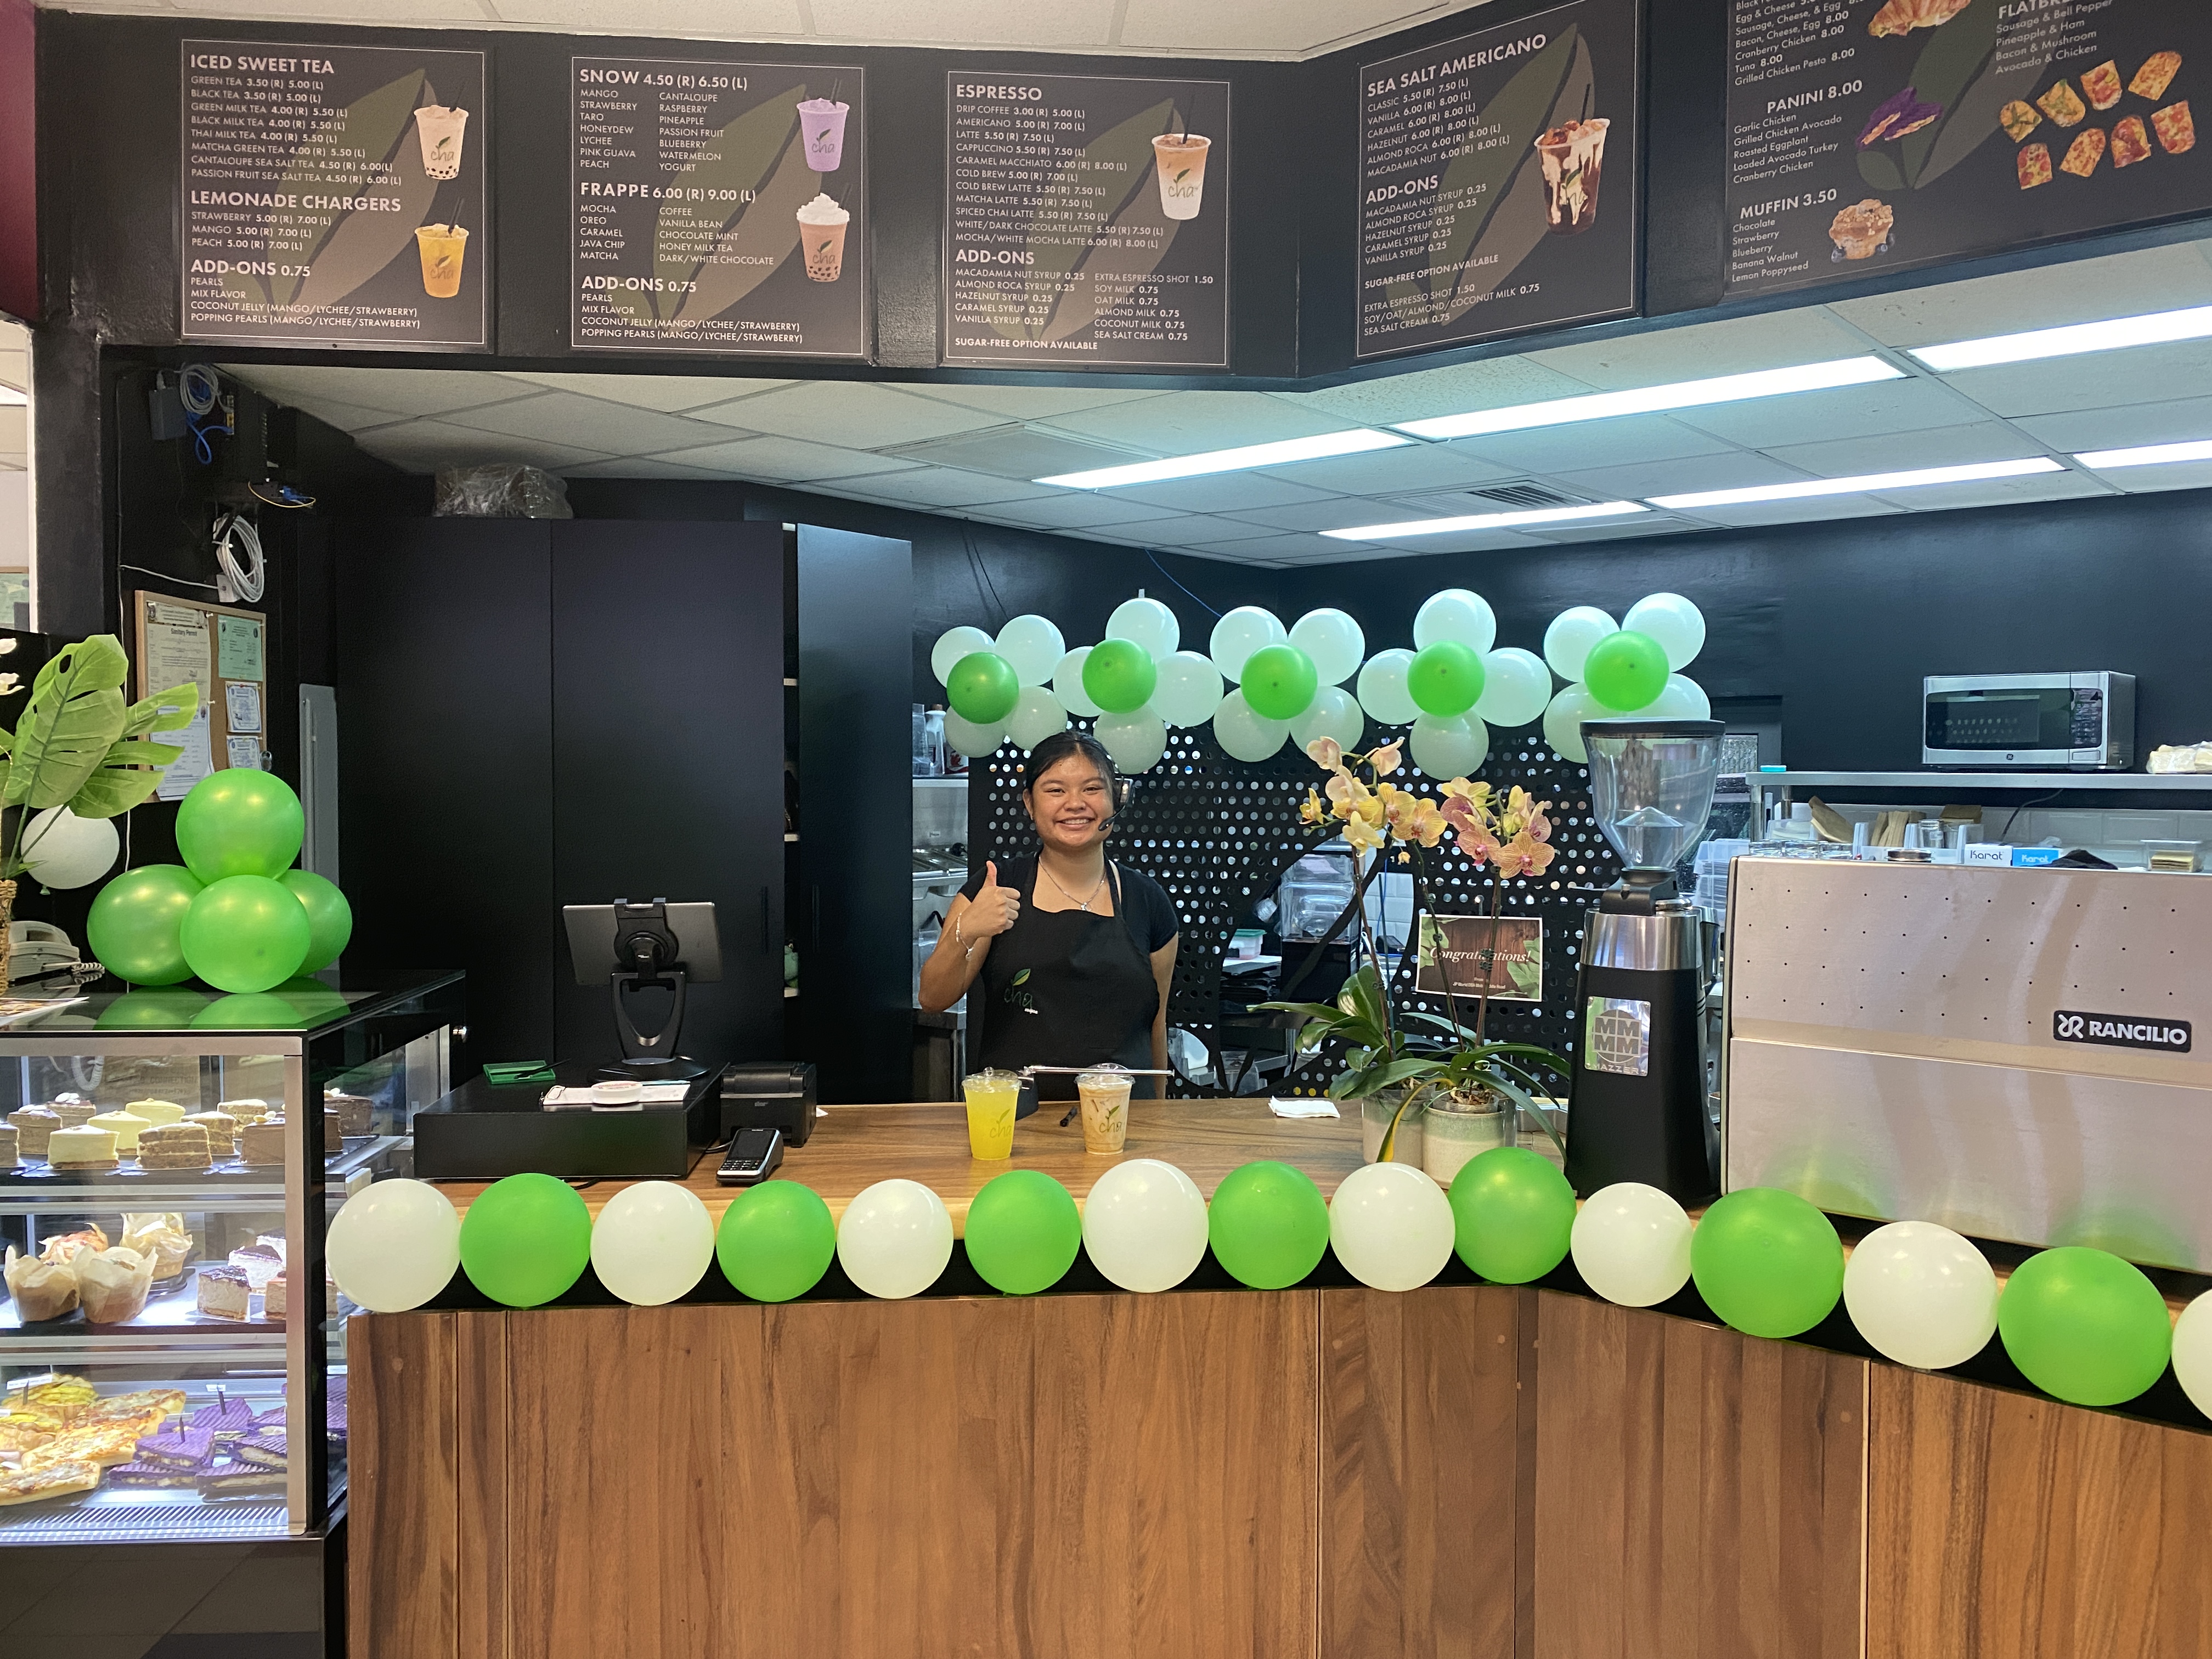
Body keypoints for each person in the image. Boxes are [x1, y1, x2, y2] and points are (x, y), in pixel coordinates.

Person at [919, 730, 1180, 1101]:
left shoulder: (1148, 902)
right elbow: (932, 997)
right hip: (1014, 1123)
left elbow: (1156, 1024)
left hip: (1123, 1122)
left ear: (1116, 799)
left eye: (1092, 789)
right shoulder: (996, 889)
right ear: (1030, 803)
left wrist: (1160, 1114)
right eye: (1056, 790)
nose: (1075, 804)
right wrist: (967, 930)